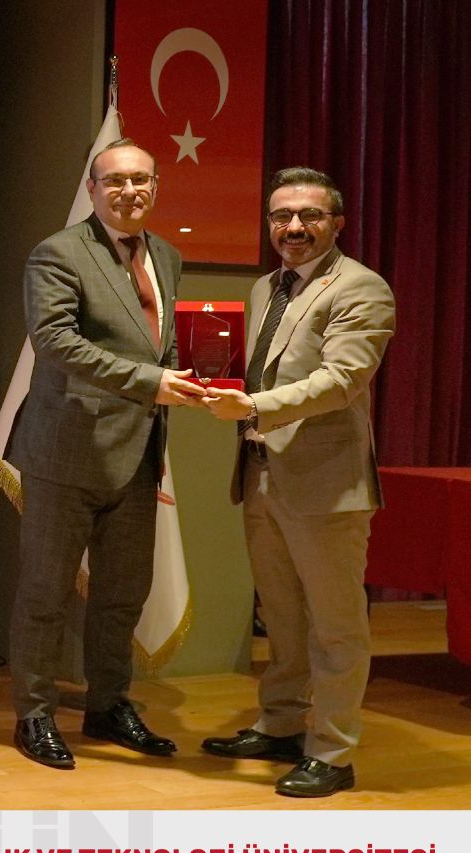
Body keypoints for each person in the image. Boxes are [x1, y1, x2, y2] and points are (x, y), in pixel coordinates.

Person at [5, 138, 205, 769]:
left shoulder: (166, 256)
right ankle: (34, 714)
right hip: (65, 450)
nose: (129, 191)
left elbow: (159, 344)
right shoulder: (58, 253)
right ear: (92, 189)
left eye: (140, 180)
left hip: (138, 452)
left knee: (123, 595)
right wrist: (151, 382)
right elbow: (55, 341)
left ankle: (108, 704)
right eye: (114, 180)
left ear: (155, 188)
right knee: (45, 593)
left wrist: (193, 382)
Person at [200, 167, 395, 797]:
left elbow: (342, 381)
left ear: (337, 224)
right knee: (281, 614)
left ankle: (333, 752)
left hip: (325, 483)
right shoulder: (266, 287)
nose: (293, 227)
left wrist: (254, 407)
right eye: (281, 216)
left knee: (336, 625)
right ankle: (281, 724)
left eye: (309, 216)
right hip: (260, 472)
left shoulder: (361, 287)